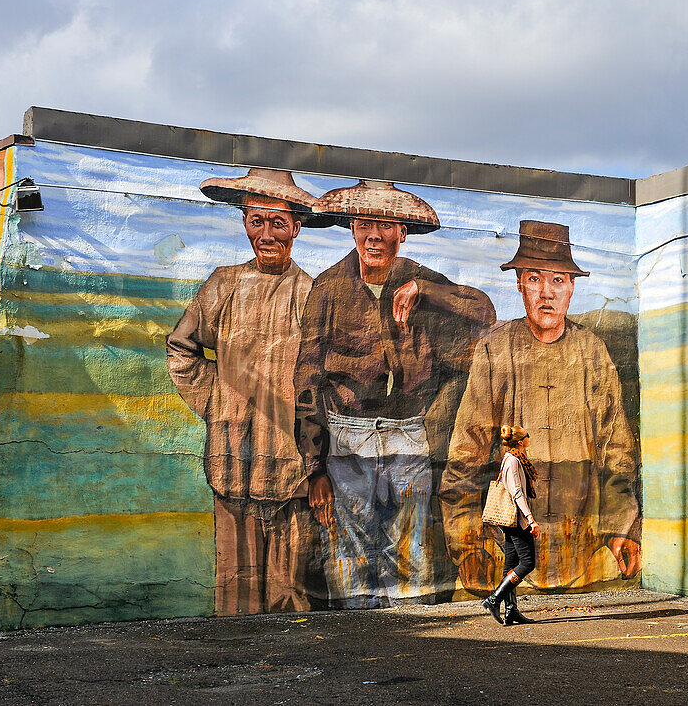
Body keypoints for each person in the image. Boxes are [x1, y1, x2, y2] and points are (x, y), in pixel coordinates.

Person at [295, 180, 495, 607]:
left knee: (411, 556)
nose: (374, 236)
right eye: (365, 223)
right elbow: (308, 381)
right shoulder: (327, 288)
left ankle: (414, 650)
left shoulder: (422, 279)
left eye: (386, 225)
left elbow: (484, 311)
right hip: (348, 438)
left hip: (409, 434)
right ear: (351, 227)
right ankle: (356, 652)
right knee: (350, 558)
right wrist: (315, 469)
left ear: (402, 232)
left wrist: (427, 292)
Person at [440, 220, 640, 594]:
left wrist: (620, 530)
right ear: (519, 283)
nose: (546, 293)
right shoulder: (495, 350)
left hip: (583, 551)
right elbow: (464, 455)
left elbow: (618, 452)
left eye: (558, 281)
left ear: (571, 288)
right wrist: (468, 546)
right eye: (534, 278)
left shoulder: (592, 352)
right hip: (504, 551)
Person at [167, 168, 331, 615]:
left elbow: (323, 387)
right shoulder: (222, 285)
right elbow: (181, 351)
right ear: (243, 222)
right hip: (231, 467)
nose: (267, 234)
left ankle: (292, 684)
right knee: (234, 603)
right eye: (256, 220)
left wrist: (318, 467)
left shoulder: (312, 294)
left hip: (293, 475)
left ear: (296, 227)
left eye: (278, 222)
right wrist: (216, 402)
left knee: (291, 598)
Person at [482, 425, 539, 625]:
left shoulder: (514, 459)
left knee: (511, 564)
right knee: (527, 562)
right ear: (521, 441)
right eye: (527, 435)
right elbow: (517, 493)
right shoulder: (513, 461)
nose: (529, 438)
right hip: (516, 520)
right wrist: (530, 519)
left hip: (512, 520)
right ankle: (494, 599)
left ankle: (511, 610)